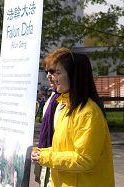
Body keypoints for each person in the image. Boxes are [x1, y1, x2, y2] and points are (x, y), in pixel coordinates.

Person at [31, 49, 115, 187]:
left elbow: (84, 159)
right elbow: (63, 149)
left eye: (58, 73)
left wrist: (45, 157)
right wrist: (40, 152)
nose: (53, 78)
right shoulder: (66, 106)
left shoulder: (88, 112)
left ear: (74, 75)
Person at [34, 48, 71, 187]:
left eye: (54, 72)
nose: (50, 76)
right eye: (47, 72)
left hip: (58, 160)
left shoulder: (66, 100)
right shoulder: (53, 97)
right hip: (48, 155)